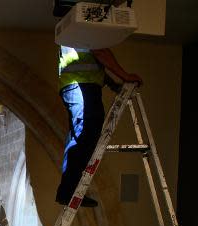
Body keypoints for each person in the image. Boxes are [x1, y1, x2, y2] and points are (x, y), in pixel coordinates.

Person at [57, 46, 143, 207]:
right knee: (84, 134)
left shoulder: (79, 29)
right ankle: (68, 191)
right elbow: (100, 53)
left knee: (81, 134)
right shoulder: (86, 24)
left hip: (81, 84)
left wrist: (113, 84)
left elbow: (94, 62)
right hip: (81, 85)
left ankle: (68, 190)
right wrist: (125, 76)